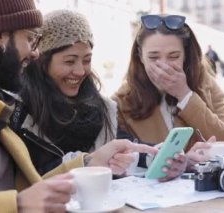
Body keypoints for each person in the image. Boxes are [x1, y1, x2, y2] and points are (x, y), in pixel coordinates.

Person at [0, 1, 157, 212]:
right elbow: (19, 200)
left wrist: (90, 162)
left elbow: (29, 188)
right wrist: (16, 206)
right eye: (30, 39)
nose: (35, 53)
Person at [10, 9, 168, 178]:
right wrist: (88, 162)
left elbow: (129, 150)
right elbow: (25, 180)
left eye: (87, 60)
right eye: (69, 61)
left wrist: (164, 158)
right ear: (42, 62)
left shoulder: (104, 110)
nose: (80, 71)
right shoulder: (18, 114)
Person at [113, 14, 224, 174]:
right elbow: (121, 161)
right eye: (153, 57)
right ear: (140, 56)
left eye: (174, 56)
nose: (164, 65)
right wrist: (182, 161)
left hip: (204, 192)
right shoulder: (121, 101)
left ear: (185, 55)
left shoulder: (207, 86)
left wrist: (185, 95)